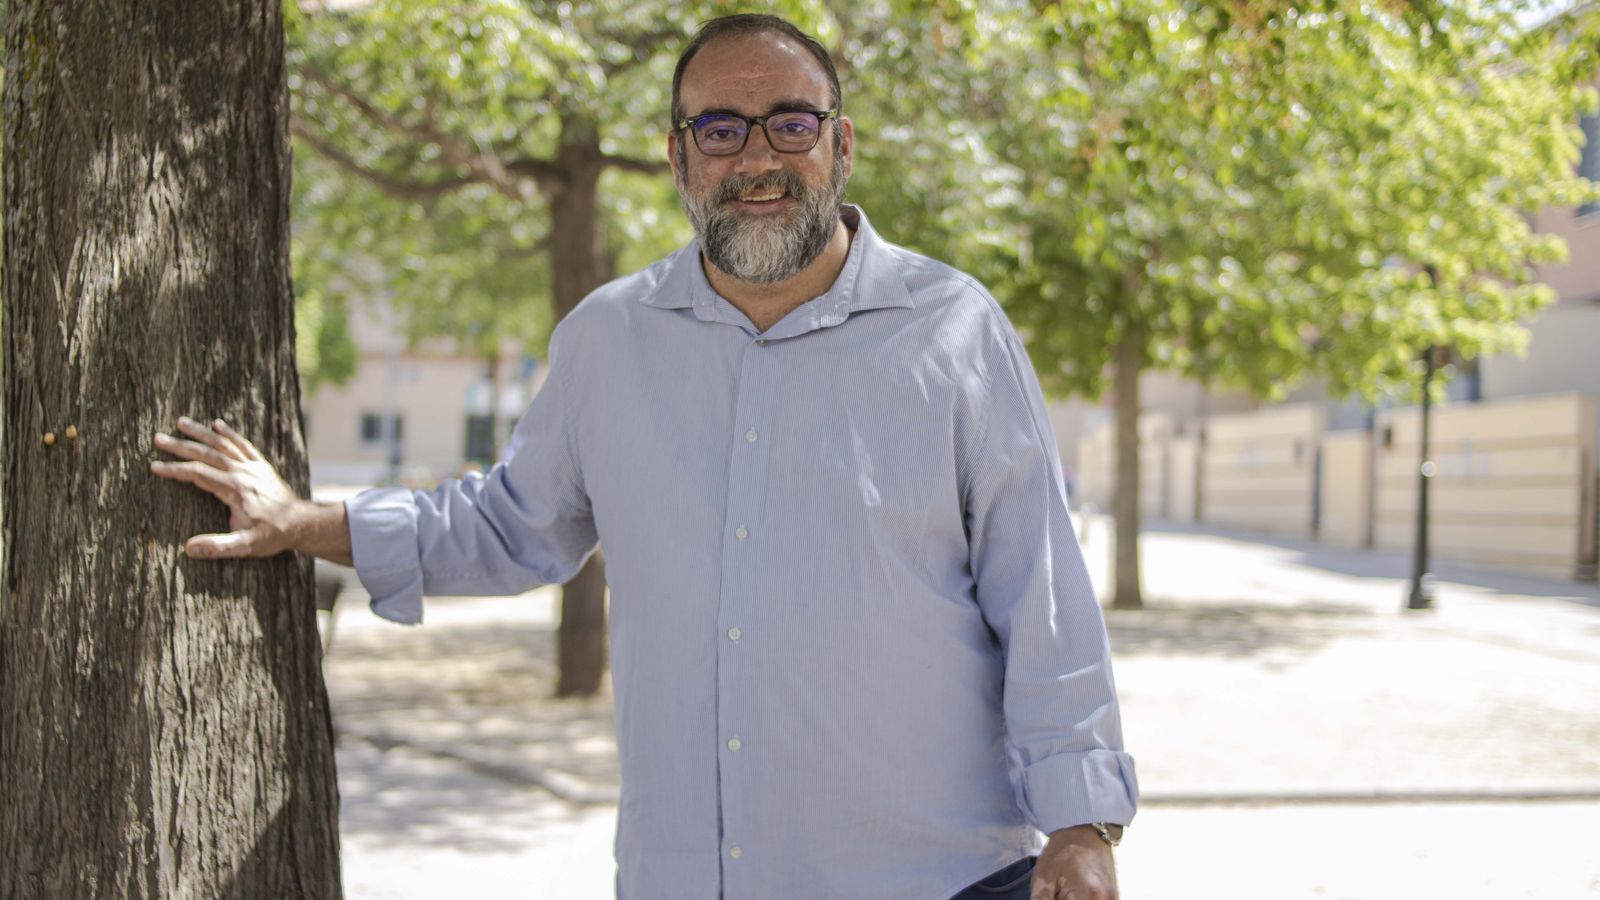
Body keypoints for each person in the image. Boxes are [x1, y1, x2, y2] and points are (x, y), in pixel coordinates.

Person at [151, 14, 1136, 900]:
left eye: (790, 124)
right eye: (721, 130)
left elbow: (1040, 591)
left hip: (942, 880)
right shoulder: (607, 340)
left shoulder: (955, 330)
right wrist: (302, 522)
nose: (757, 157)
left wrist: (1083, 826)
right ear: (678, 157)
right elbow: (507, 525)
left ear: (841, 145)